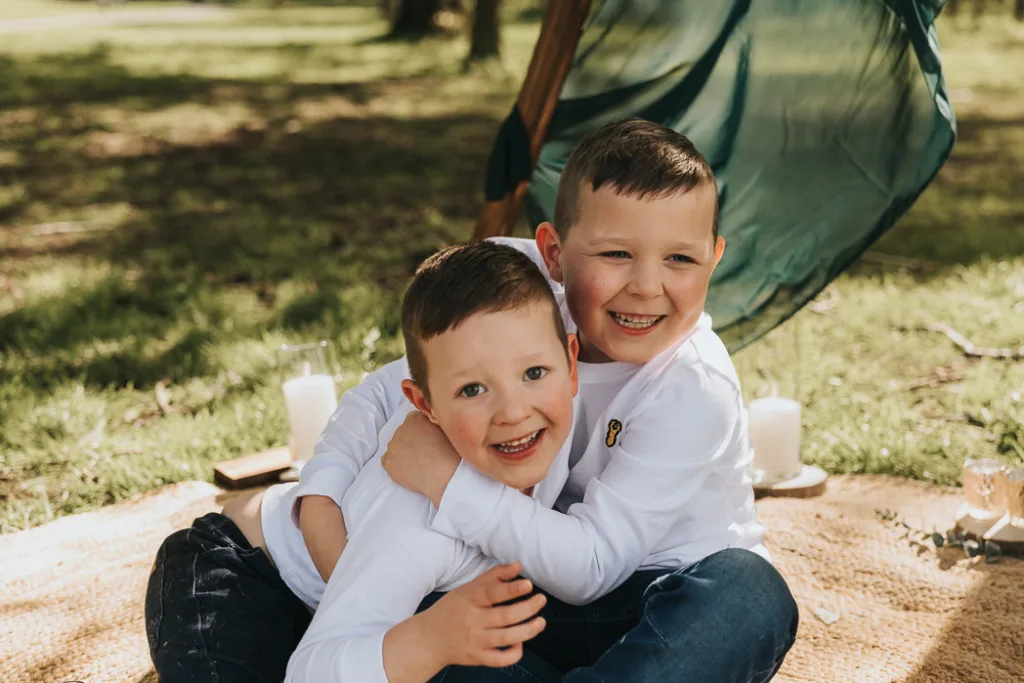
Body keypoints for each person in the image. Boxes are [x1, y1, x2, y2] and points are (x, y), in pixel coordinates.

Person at [301, 118, 799, 682]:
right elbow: (385, 385)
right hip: (536, 584)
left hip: (664, 600)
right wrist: (320, 488)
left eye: (680, 260)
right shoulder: (525, 294)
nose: (646, 285)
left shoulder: (695, 386)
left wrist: (448, 481)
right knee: (437, 626)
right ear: (554, 253)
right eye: (616, 254)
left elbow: (592, 565)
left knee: (750, 596)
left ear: (713, 257)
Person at [146, 241, 582, 683]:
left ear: (571, 364)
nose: (512, 412)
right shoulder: (417, 523)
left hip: (362, 594)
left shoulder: (561, 424)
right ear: (424, 404)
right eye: (472, 390)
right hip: (239, 574)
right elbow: (312, 672)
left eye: (533, 374)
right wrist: (428, 640)